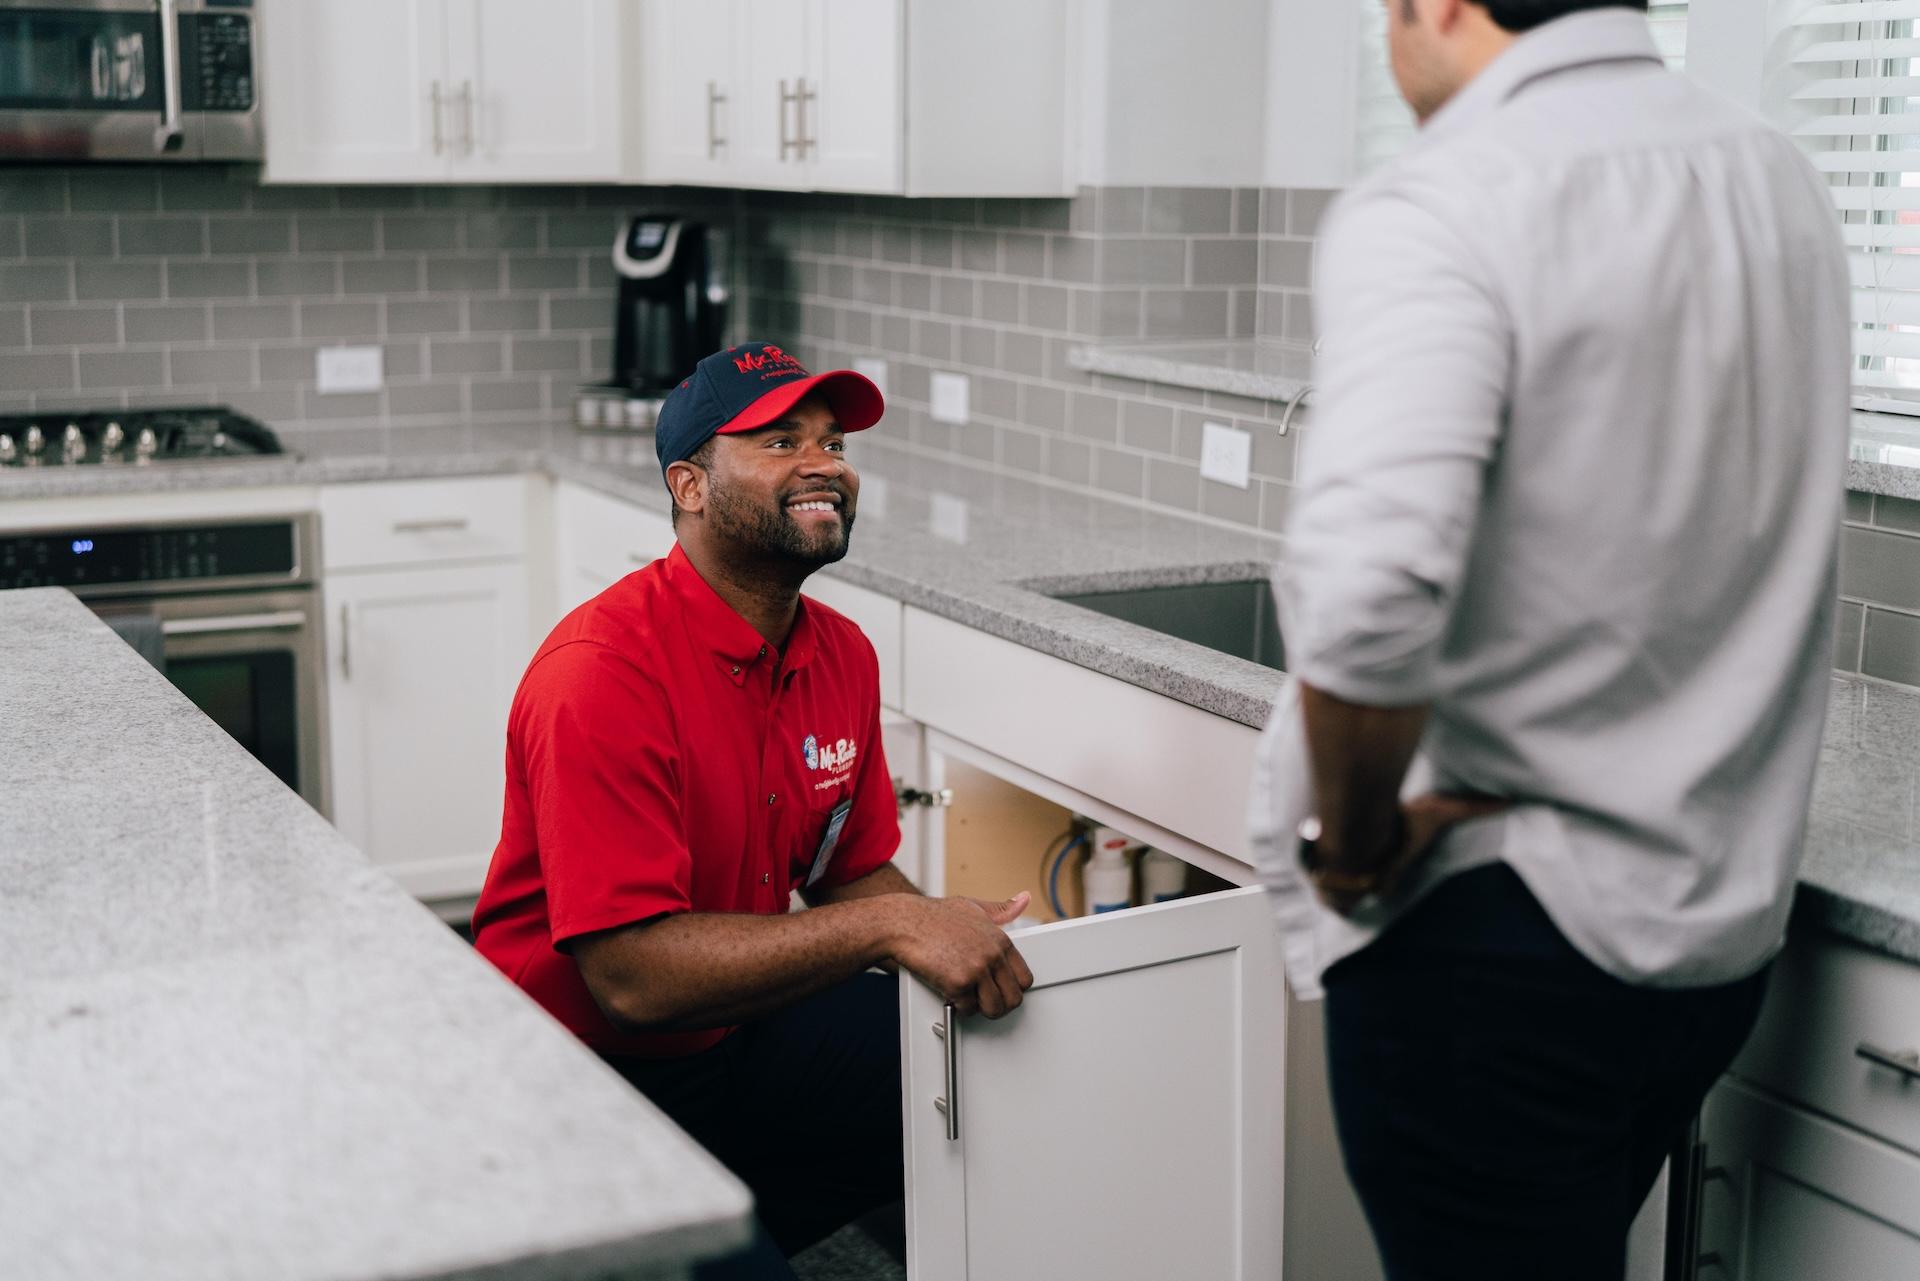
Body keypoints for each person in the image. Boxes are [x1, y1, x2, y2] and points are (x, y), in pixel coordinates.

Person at [1251, 3, 1849, 1279]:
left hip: (1501, 930)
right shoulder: (1776, 176)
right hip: (1713, 932)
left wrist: (1351, 846)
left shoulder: (1449, 196)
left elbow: (1368, 596)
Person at [471, 341, 1034, 1279]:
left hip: (734, 1032)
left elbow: (847, 869)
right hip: (576, 1079)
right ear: (689, 486)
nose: (826, 465)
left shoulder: (841, 652)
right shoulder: (602, 675)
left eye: (836, 442)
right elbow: (633, 981)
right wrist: (897, 927)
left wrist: (932, 924)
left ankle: (727, 1230)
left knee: (987, 1056)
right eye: (780, 441)